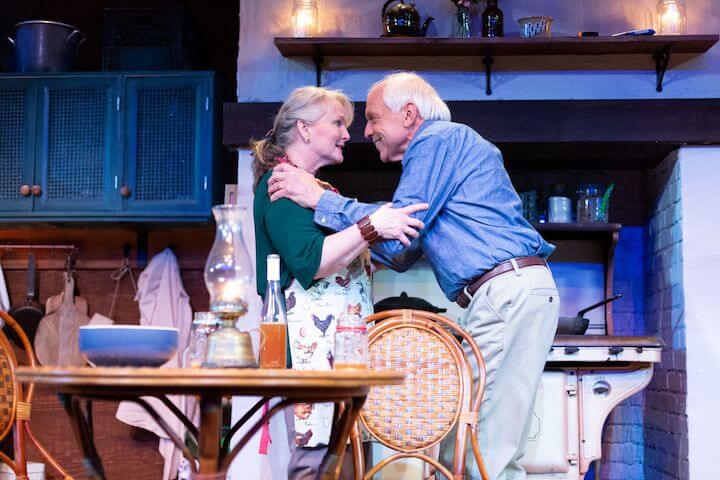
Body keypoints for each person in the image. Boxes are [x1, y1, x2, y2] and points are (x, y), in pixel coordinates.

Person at [266, 72, 560, 480]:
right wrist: (368, 233)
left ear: (408, 114)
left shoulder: (436, 142)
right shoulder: (444, 146)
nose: (365, 132)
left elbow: (399, 225)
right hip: (505, 294)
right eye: (348, 123)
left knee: (479, 452)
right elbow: (398, 249)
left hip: (506, 294)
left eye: (371, 118)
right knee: (472, 446)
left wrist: (320, 199)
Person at [252, 85, 428, 480]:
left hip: (341, 352)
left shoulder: (316, 190)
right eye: (338, 123)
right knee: (316, 467)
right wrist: (370, 227)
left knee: (341, 466)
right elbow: (309, 261)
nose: (349, 134)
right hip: (310, 354)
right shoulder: (281, 185)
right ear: (305, 129)